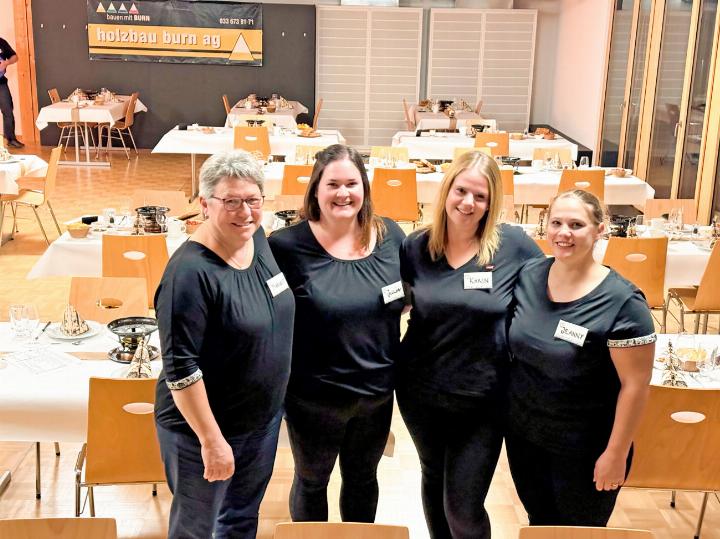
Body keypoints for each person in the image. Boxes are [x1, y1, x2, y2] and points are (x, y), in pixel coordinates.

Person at [398, 151, 542, 539]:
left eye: (480, 197)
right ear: (446, 190)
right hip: (420, 391)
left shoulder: (513, 245)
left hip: (483, 397)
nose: (468, 203)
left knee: (462, 505)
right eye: (461, 190)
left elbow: (553, 286)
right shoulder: (415, 248)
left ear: (492, 202)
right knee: (433, 478)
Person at [154, 150, 295, 538]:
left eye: (253, 200)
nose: (244, 212)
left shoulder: (257, 239)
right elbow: (180, 370)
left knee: (240, 520)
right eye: (230, 201)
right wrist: (212, 441)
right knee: (196, 531)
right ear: (204, 204)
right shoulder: (188, 274)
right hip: (205, 433)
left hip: (260, 423)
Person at [268, 144, 405, 523]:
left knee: (363, 479)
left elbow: (420, 288)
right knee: (312, 482)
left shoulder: (390, 235)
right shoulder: (286, 247)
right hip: (313, 399)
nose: (343, 193)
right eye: (333, 184)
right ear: (315, 190)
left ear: (365, 188)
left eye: (352, 183)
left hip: (376, 396)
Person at [505, 190, 655, 526]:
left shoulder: (623, 302)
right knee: (540, 523)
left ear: (600, 230)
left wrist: (616, 453)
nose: (563, 233)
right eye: (556, 222)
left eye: (576, 224)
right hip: (526, 438)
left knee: (581, 531)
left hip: (587, 448)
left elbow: (636, 386)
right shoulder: (529, 275)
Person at [0, 36, 23, 148]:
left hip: (1, 84)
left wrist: (6, 63)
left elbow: (15, 57)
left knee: (8, 110)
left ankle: (11, 139)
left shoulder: (1, 42)